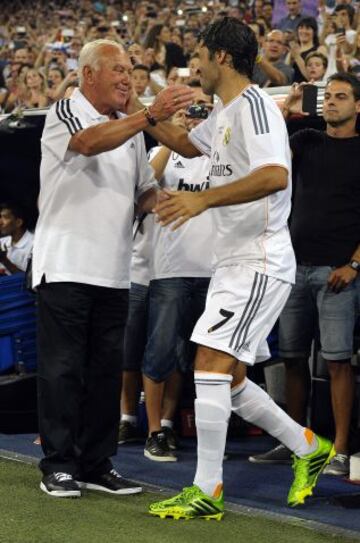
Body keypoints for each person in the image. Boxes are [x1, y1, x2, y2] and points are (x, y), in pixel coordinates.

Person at [139, 17, 334, 520]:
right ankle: (308, 447)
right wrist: (141, 115)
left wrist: (203, 201)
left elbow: (274, 174)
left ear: (222, 57)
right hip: (234, 262)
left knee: (208, 361)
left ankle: (208, 489)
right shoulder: (227, 111)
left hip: (259, 261)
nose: (194, 65)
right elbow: (189, 146)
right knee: (229, 378)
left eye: (200, 55)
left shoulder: (256, 109)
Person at [32, 38, 193, 499]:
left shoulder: (130, 129)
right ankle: (59, 465)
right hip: (65, 265)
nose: (127, 78)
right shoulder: (67, 111)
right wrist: (149, 116)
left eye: (130, 70)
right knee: (63, 370)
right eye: (118, 70)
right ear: (88, 75)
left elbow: (143, 189)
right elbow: (85, 144)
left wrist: (175, 203)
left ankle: (96, 464)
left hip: (114, 269)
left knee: (107, 371)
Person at [250, 73, 360, 476]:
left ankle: (342, 450)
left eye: (341, 97)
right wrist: (287, 107)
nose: (331, 102)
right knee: (292, 358)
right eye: (327, 96)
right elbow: (268, 150)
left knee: (337, 364)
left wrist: (353, 265)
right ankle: (295, 441)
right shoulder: (305, 141)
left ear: (358, 106)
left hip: (338, 274)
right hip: (293, 268)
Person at [143, 86, 214, 462]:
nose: (195, 116)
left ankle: (169, 424)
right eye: (190, 111)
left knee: (191, 357)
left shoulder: (220, 153)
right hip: (170, 268)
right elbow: (147, 181)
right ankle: (153, 430)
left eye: (202, 111)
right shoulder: (162, 152)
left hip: (213, 268)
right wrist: (173, 135)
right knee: (160, 353)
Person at [0, 202, 33, 275]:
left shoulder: (34, 245)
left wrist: (4, 260)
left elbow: (28, 280)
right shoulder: (2, 242)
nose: (0, 222)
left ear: (18, 222)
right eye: (0, 217)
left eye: (5, 218)